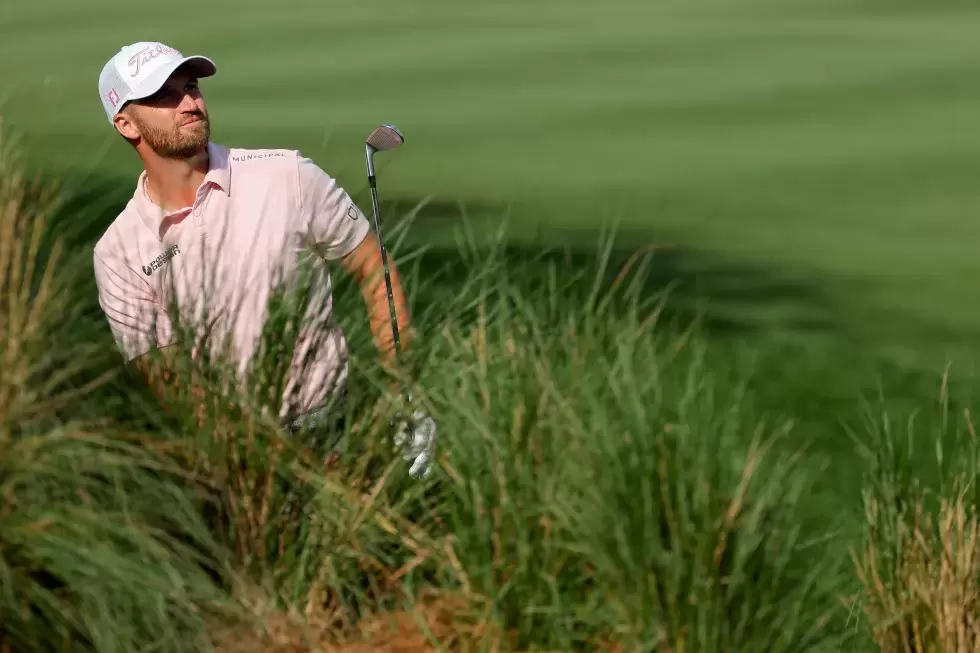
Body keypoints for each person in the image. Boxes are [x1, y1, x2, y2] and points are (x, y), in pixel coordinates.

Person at [92, 41, 435, 478]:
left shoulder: (286, 175)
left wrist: (402, 388)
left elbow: (372, 266)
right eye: (163, 94)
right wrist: (290, 465)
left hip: (333, 422)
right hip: (227, 453)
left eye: (191, 85)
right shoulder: (118, 251)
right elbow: (171, 383)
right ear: (126, 123)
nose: (189, 102)